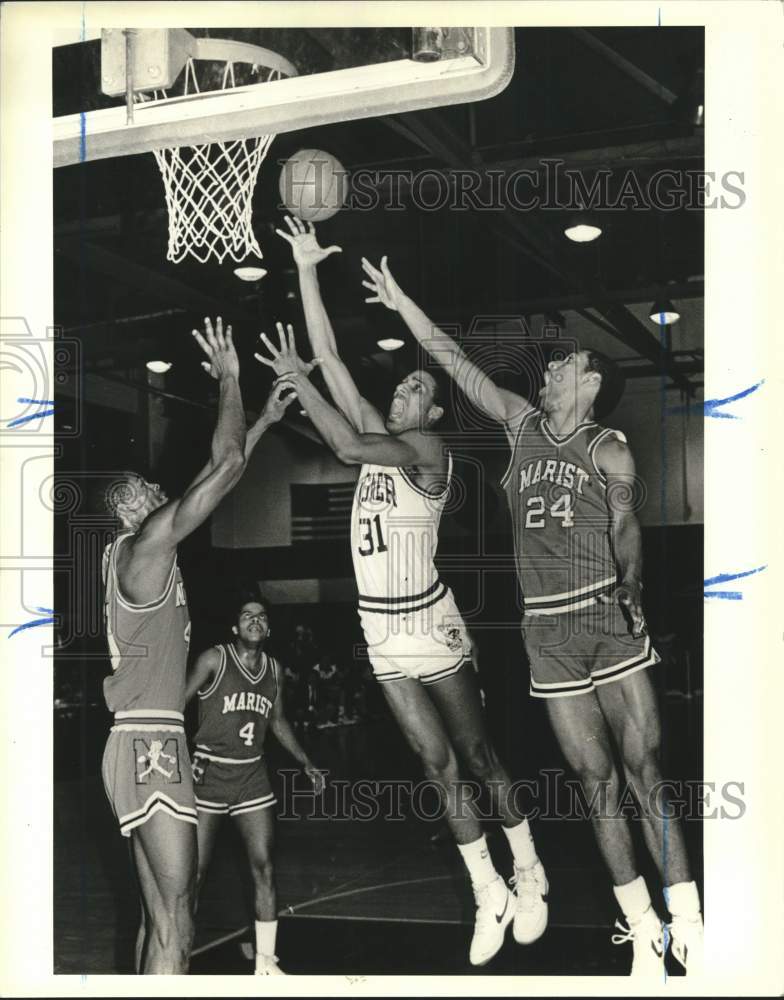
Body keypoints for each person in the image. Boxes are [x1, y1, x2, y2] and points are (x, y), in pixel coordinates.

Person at [359, 256, 704, 977]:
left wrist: (633, 581)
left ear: (591, 383)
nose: (545, 375)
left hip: (604, 616)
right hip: (545, 630)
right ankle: (642, 931)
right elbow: (454, 363)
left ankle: (690, 924)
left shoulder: (605, 445)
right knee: (595, 784)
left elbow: (625, 523)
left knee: (644, 771)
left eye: (561, 368)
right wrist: (402, 304)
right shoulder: (518, 425)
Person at [254, 218, 550, 968]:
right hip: (381, 632)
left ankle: (530, 870)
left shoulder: (428, 452)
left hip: (430, 622)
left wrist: (299, 387)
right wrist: (305, 270)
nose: (404, 389)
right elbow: (327, 357)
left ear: (433, 413)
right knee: (434, 767)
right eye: (405, 381)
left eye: (417, 386)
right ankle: (488, 891)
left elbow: (348, 443)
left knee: (477, 755)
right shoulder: (379, 433)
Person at [100, 318, 298, 974]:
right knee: (178, 920)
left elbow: (221, 476)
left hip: (142, 742)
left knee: (159, 917)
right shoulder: (147, 548)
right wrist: (233, 379)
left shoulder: (138, 554)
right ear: (130, 510)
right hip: (151, 745)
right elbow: (226, 466)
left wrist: (263, 422)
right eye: (143, 489)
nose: (157, 490)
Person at [185, 594, 323, 975]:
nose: (255, 621)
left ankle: (266, 962)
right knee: (194, 872)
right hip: (209, 774)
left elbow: (277, 722)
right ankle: (177, 952)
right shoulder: (214, 659)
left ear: (269, 628)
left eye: (262, 617)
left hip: (251, 776)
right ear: (235, 626)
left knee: (263, 867)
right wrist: (177, 760)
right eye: (247, 616)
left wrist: (306, 762)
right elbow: (176, 703)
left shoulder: (274, 670)